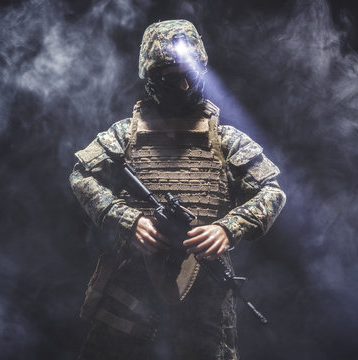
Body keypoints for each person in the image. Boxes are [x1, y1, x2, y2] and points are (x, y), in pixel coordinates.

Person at [70, 19, 286, 360]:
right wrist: (126, 219)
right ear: (152, 79)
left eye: (190, 72)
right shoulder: (125, 135)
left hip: (205, 289)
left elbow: (271, 191)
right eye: (172, 77)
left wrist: (228, 228)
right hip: (131, 283)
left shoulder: (224, 139)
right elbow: (82, 175)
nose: (184, 85)